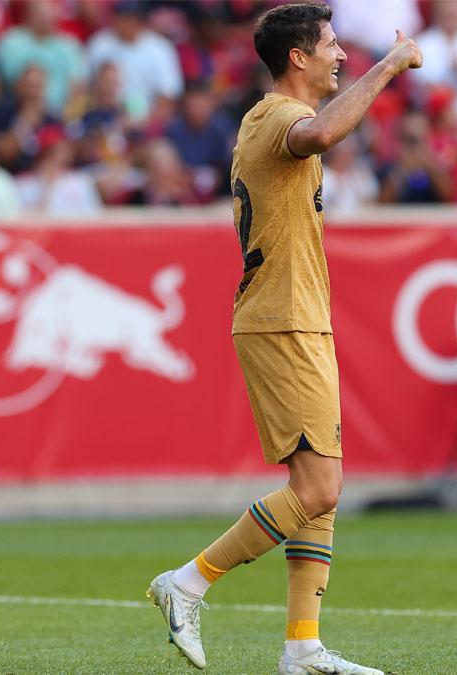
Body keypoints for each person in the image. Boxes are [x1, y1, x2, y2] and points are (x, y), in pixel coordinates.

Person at [145, 5, 421, 675]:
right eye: (329, 46)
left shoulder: (268, 118)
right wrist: (390, 65)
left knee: (321, 483)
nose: (341, 56)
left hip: (300, 316)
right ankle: (188, 580)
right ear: (297, 57)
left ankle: (303, 645)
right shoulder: (275, 116)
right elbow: (322, 132)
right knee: (319, 487)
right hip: (280, 319)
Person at [86, 0, 183, 124]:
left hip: (146, 121)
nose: (124, 23)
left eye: (129, 18)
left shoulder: (160, 48)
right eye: (120, 17)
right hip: (104, 119)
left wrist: (144, 124)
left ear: (140, 21)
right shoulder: (100, 44)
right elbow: (85, 86)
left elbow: (168, 97)